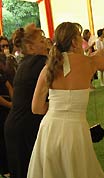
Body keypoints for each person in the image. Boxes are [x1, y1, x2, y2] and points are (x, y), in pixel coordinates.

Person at [27, 22, 104, 178]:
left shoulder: (49, 67)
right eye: (79, 37)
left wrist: (57, 108)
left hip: (49, 129)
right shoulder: (90, 63)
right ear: (74, 41)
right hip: (74, 131)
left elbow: (36, 108)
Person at [3, 24, 48, 178]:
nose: (46, 44)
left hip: (18, 127)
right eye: (41, 41)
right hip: (24, 129)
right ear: (30, 47)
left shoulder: (25, 63)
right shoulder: (40, 62)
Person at [0, 54, 13, 178]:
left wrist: (13, 102)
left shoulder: (3, 75)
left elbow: (9, 86)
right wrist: (10, 105)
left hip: (7, 110)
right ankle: (5, 169)